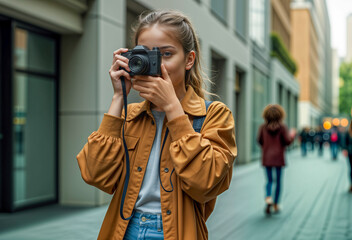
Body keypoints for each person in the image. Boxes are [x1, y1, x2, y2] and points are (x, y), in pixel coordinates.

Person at [76, 10, 237, 240]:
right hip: (125, 230)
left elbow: (205, 183)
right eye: (147, 55)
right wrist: (118, 98)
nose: (156, 65)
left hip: (177, 232)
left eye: (167, 54)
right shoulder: (129, 115)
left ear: (189, 59)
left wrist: (173, 108)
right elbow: (95, 174)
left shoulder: (215, 115)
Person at [257, 104, 295, 215]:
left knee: (269, 180)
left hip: (267, 158)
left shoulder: (262, 127)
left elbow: (259, 141)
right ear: (280, 115)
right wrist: (292, 135)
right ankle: (276, 204)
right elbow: (287, 142)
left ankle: (268, 197)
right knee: (278, 182)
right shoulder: (282, 127)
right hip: (279, 158)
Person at [343, 120, 352, 193]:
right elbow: (345, 142)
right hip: (351, 153)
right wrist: (345, 149)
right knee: (351, 169)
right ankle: (351, 184)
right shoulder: (348, 132)